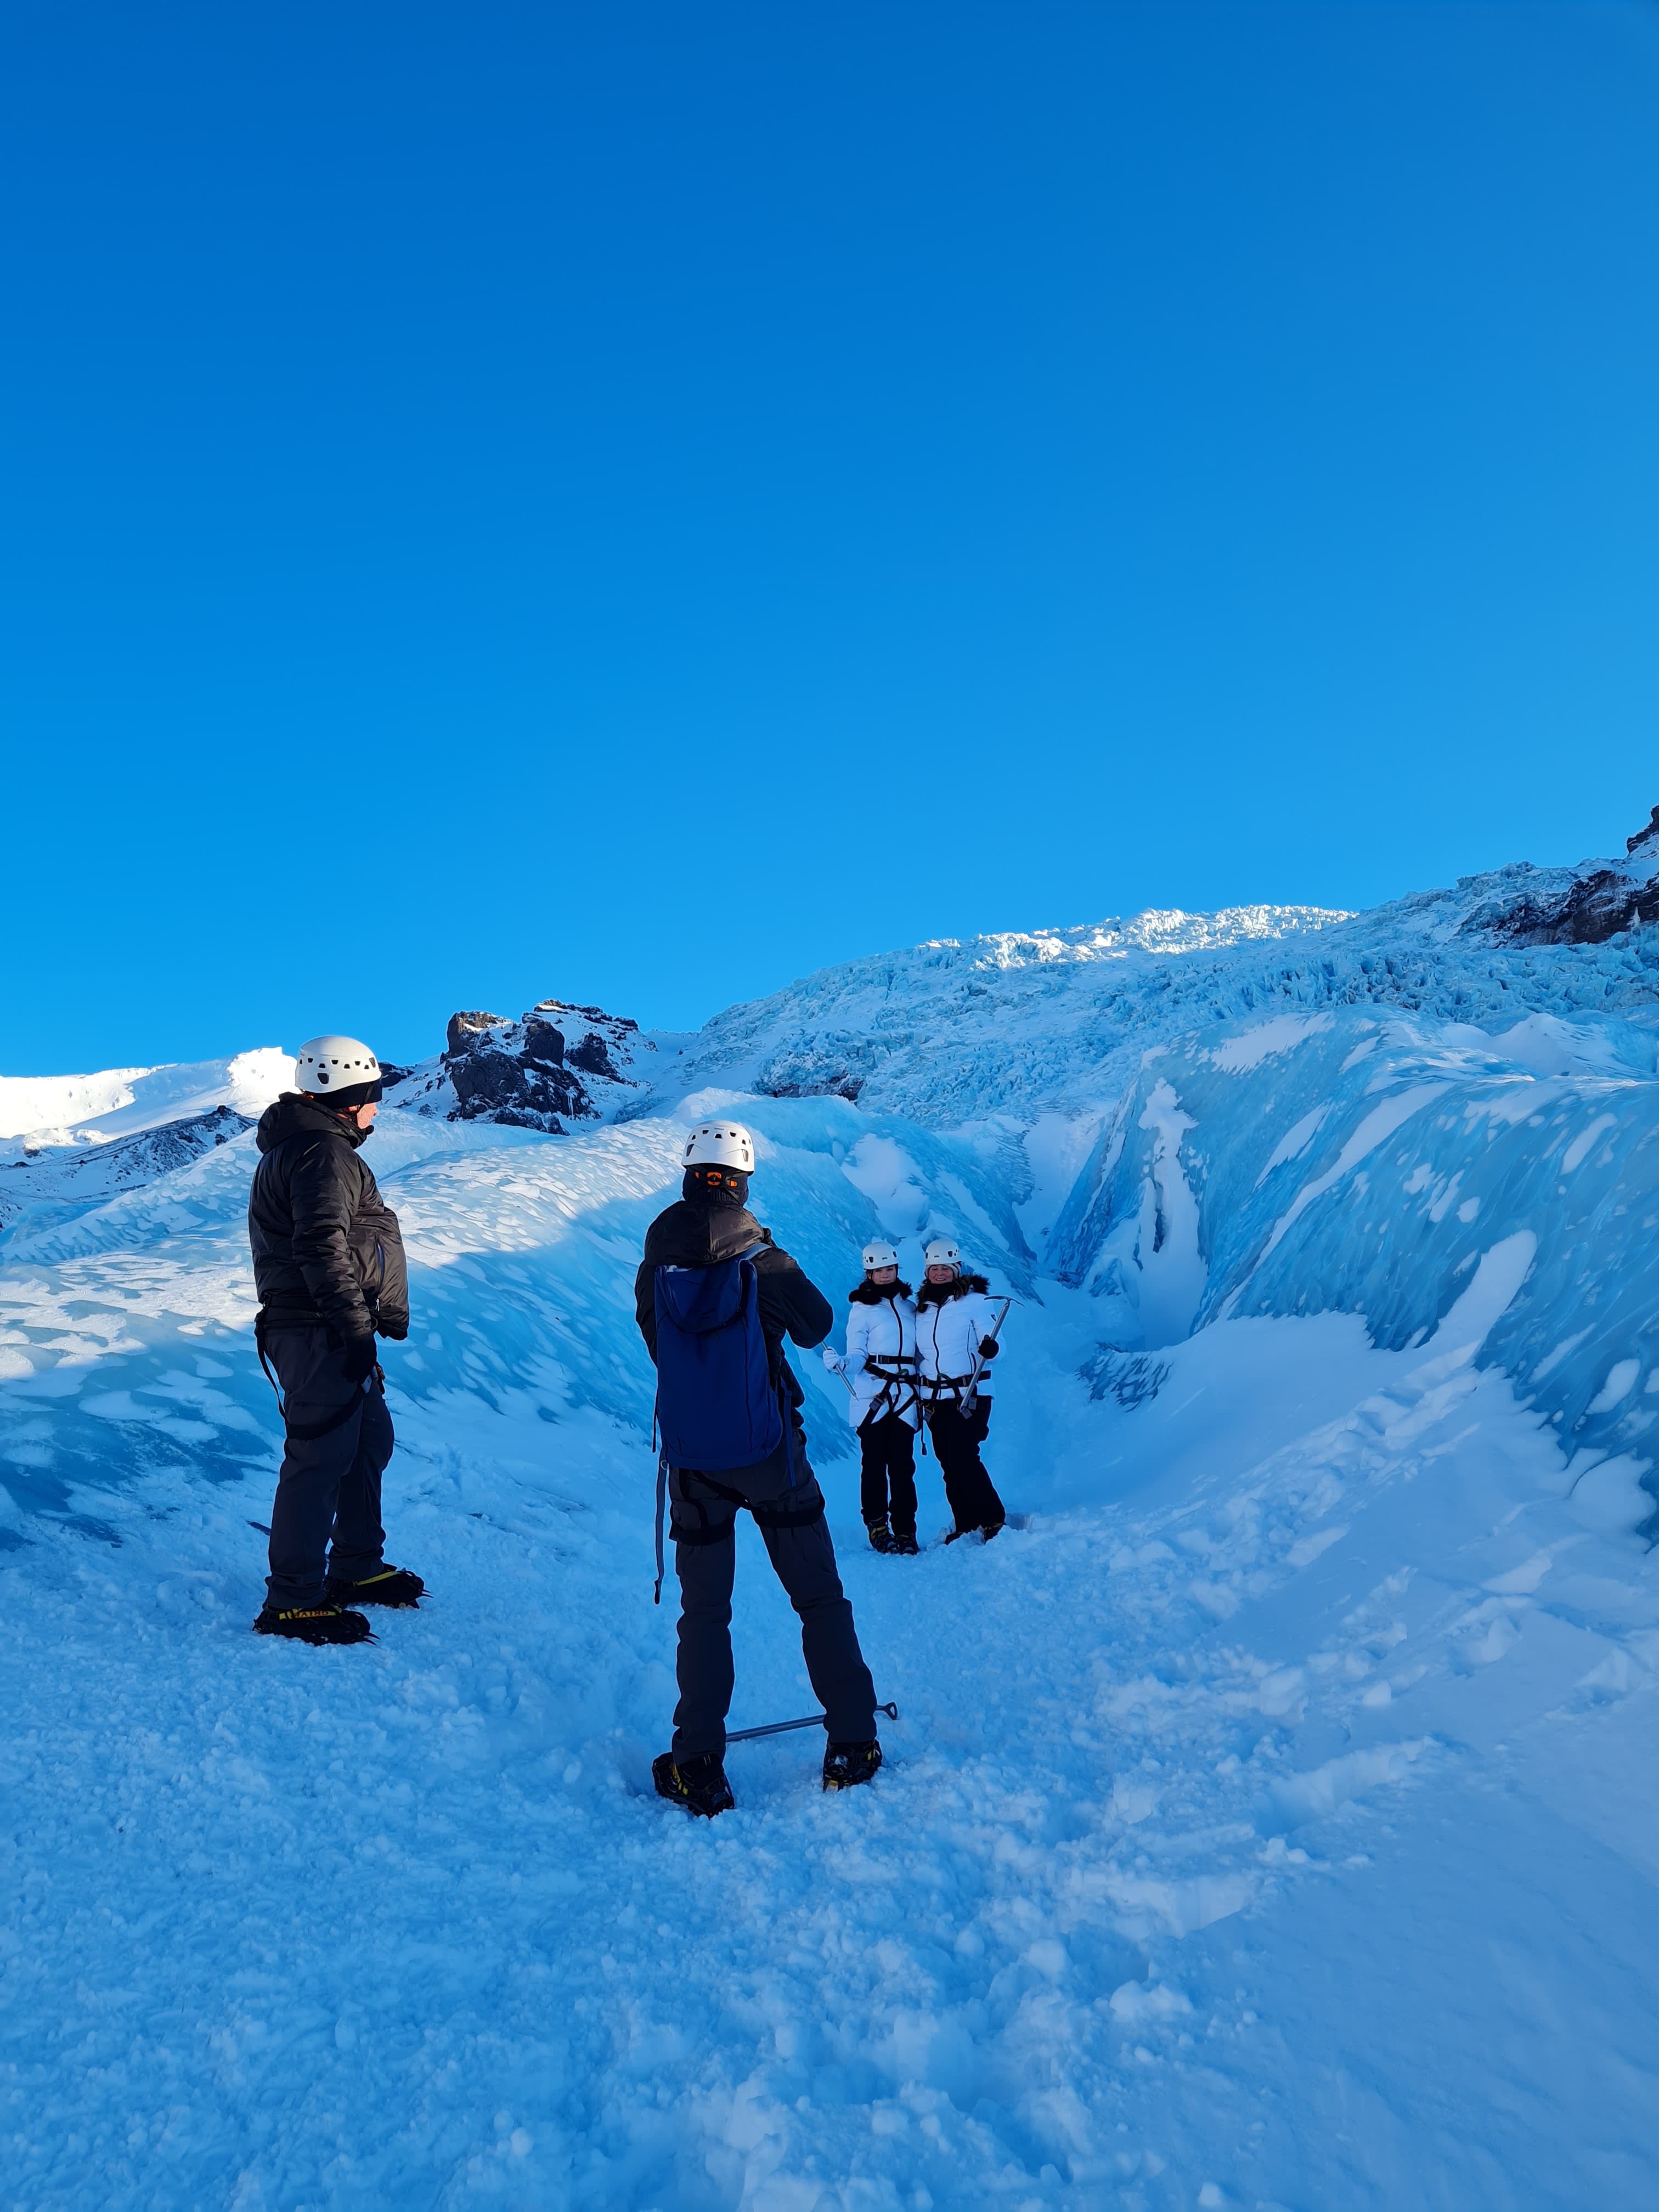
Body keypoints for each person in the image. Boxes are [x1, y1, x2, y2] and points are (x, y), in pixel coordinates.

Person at [635, 1120, 881, 1817]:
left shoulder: (657, 1262)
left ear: (689, 1176)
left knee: (705, 1614)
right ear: (742, 1182)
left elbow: (657, 1343)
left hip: (693, 1463)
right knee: (818, 1598)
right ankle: (852, 1740)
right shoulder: (762, 1259)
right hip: (772, 1455)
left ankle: (697, 1764)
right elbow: (816, 1326)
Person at [246, 1035, 421, 1645]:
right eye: (373, 1097)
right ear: (349, 1098)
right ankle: (293, 1598)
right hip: (318, 1326)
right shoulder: (323, 1153)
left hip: (326, 1323)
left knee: (369, 1441)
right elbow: (322, 1245)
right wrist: (352, 1328)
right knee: (319, 1457)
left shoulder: (313, 1147)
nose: (378, 1109)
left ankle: (354, 1564)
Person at [823, 1240, 921, 1555]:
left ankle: (905, 1530)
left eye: (890, 1269)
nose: (885, 1275)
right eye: (879, 1271)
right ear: (869, 1274)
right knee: (875, 1465)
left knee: (903, 1467)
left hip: (905, 1394)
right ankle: (878, 1526)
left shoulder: (910, 1307)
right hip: (873, 1394)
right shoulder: (862, 1310)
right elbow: (857, 1354)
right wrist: (843, 1364)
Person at [915, 1237, 1007, 1544]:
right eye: (935, 1268)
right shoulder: (922, 1309)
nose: (940, 1273)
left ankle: (993, 1518)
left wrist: (992, 1348)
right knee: (948, 1461)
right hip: (935, 1399)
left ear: (957, 1269)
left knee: (964, 1456)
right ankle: (966, 1522)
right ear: (927, 1271)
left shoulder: (975, 1301)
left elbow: (998, 1342)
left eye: (946, 1268)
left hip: (971, 1394)